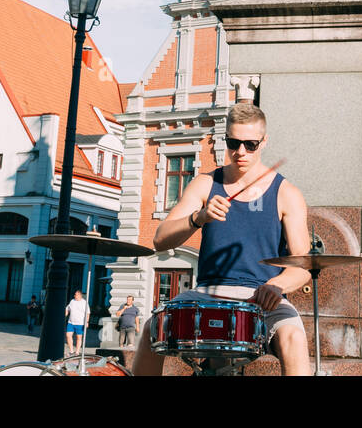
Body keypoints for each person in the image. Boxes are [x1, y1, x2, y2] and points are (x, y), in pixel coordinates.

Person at [132, 102, 313, 376]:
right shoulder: (206, 183)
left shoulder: (286, 192)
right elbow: (160, 240)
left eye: (250, 144)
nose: (240, 152)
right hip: (208, 292)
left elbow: (303, 263)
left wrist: (276, 285)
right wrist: (198, 217)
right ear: (225, 139)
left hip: (264, 296)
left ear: (264, 142)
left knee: (294, 338)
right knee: (152, 329)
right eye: (233, 142)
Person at [65, 291, 89, 356]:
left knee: (79, 337)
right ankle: (71, 351)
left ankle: (77, 352)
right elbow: (67, 309)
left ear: (80, 295)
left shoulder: (84, 303)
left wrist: (86, 322)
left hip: (80, 323)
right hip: (71, 322)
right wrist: (65, 314)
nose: (74, 296)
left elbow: (88, 313)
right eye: (74, 294)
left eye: (76, 295)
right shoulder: (72, 301)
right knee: (68, 335)